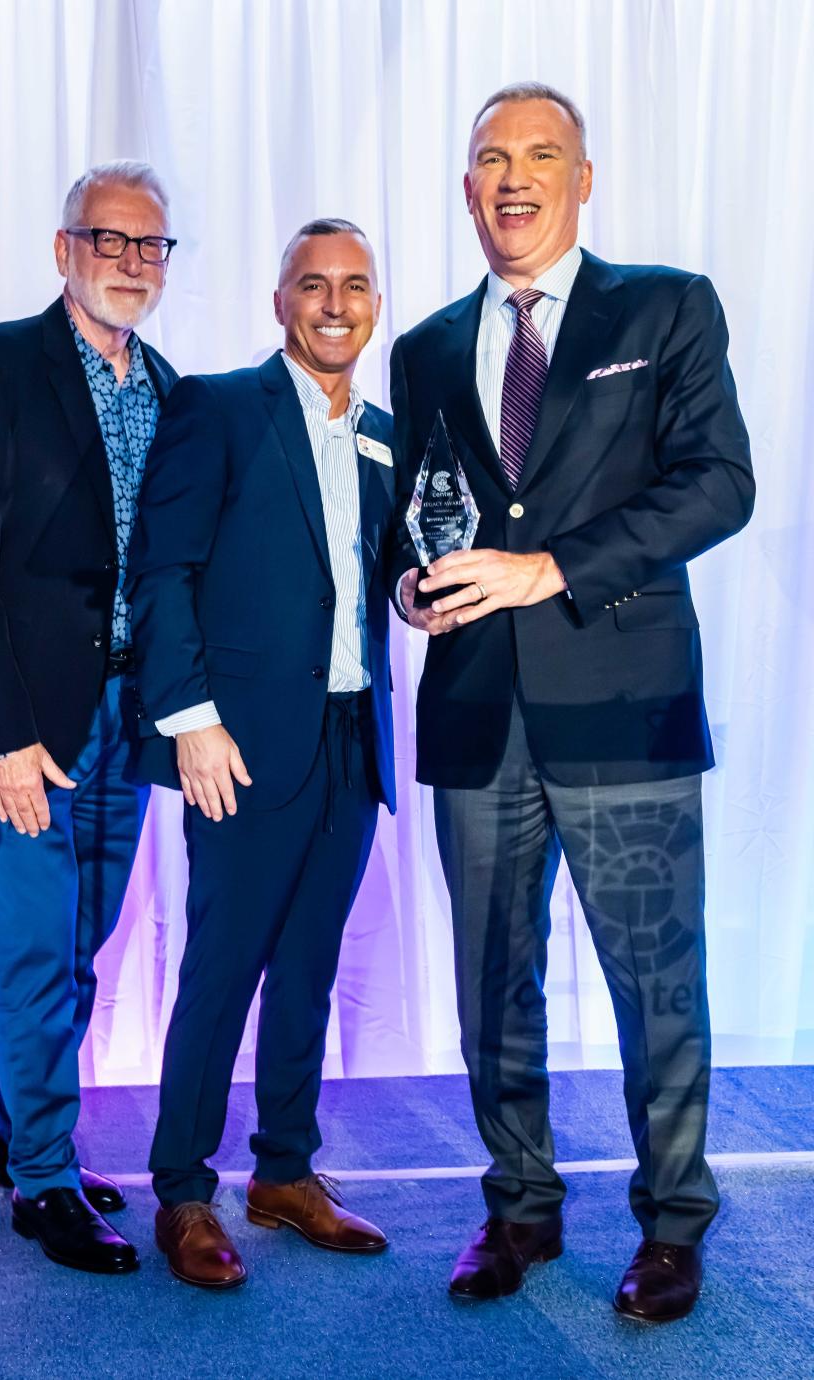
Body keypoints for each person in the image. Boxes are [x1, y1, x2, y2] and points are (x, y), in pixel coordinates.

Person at [389, 83, 753, 1321]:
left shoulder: (667, 305)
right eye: (490, 157)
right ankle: (519, 1210)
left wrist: (553, 568)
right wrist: (411, 587)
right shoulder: (428, 344)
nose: (513, 176)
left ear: (583, 178)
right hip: (478, 715)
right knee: (494, 984)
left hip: (627, 706)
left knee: (659, 981)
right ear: (468, 183)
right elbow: (422, 516)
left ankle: (673, 1226)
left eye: (540, 154)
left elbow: (720, 486)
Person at [0, 160, 177, 1274]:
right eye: (107, 240)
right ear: (63, 249)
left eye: (148, 246)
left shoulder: (167, 384)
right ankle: (42, 1183)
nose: (129, 262)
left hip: (123, 719)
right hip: (20, 727)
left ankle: (22, 1133)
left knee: (80, 946)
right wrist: (2, 736)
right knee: (33, 952)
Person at [128, 219, 396, 1288]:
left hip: (347, 739)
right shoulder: (221, 407)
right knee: (222, 970)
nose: (335, 303)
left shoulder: (382, 431)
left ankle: (285, 1172)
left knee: (311, 971)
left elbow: (374, 579)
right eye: (313, 285)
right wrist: (191, 718)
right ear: (281, 301)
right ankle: (183, 1191)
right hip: (237, 746)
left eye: (355, 286)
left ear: (375, 304)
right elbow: (163, 571)